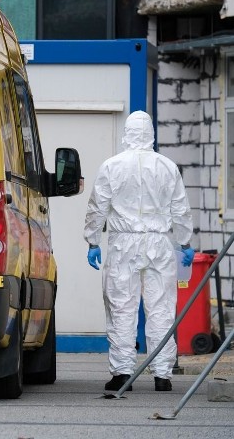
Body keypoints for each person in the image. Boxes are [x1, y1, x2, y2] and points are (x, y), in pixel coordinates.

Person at [84, 111, 195, 392]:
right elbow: (180, 209)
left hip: (124, 244)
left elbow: (98, 206)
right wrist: (184, 242)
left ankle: (122, 373)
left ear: (127, 133)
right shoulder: (167, 167)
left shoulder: (112, 166)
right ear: (151, 134)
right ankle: (162, 375)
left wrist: (93, 240)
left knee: (122, 306)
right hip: (159, 243)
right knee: (161, 308)